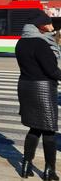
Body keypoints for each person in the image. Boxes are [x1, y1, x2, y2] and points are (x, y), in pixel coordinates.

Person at [15, 9, 61, 180]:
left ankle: (26, 164)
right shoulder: (41, 44)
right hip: (42, 88)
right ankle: (50, 170)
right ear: (40, 26)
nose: (52, 26)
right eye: (49, 22)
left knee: (34, 127)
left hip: (26, 86)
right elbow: (51, 71)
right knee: (49, 131)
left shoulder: (21, 42)